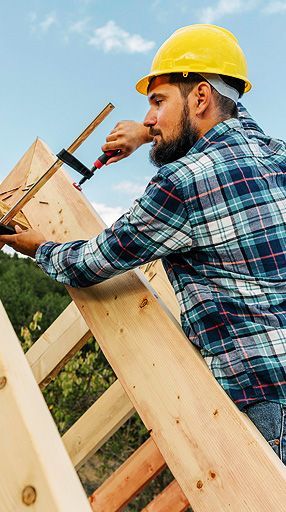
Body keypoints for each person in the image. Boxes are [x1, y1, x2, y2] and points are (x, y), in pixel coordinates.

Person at [1, 24, 285, 464]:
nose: (149, 116)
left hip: (265, 410)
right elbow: (235, 127)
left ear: (202, 97)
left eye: (157, 102)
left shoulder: (182, 182)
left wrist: (39, 246)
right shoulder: (275, 154)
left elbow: (91, 262)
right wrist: (152, 132)